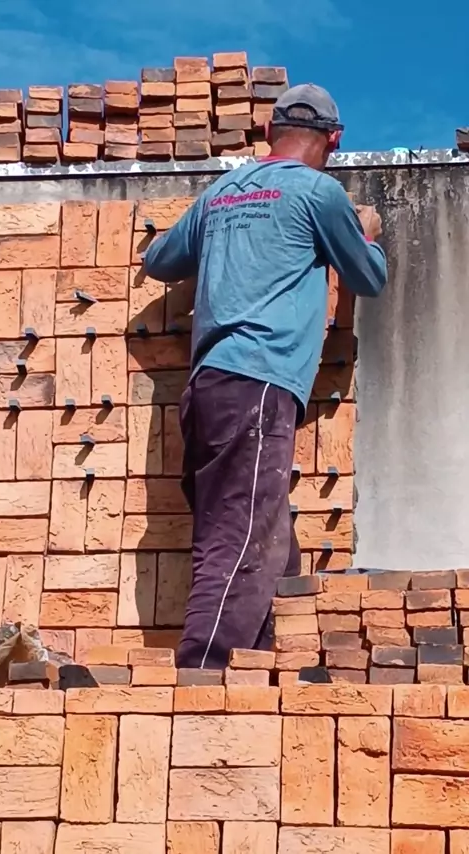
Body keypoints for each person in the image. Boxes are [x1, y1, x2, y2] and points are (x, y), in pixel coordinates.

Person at [144, 83, 388, 669]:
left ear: (267, 132)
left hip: (207, 388)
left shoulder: (221, 192)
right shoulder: (319, 193)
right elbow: (368, 278)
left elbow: (158, 261)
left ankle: (264, 675)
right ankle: (204, 675)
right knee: (240, 537)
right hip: (258, 385)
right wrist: (367, 235)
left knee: (271, 544)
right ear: (334, 140)